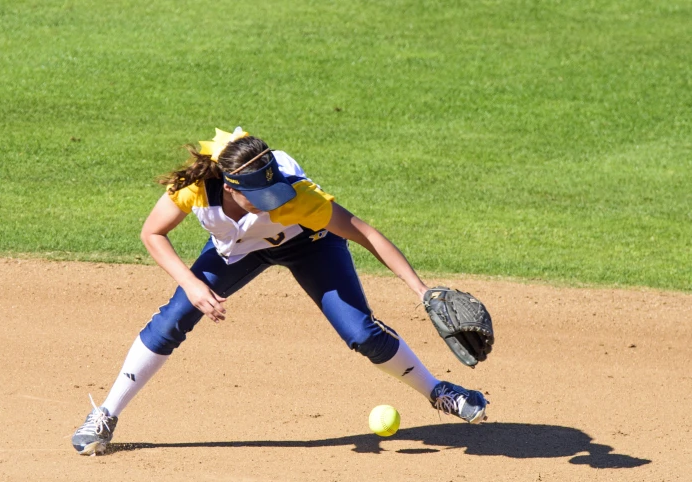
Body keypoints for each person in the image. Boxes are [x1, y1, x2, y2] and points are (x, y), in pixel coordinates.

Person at [72, 127, 487, 455]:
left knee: (361, 333)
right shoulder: (196, 187)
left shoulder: (296, 198)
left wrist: (422, 290)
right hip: (238, 252)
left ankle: (440, 391)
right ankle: (106, 415)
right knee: (173, 319)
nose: (270, 202)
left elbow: (365, 233)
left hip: (310, 245)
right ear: (230, 186)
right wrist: (192, 283)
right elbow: (152, 233)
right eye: (258, 196)